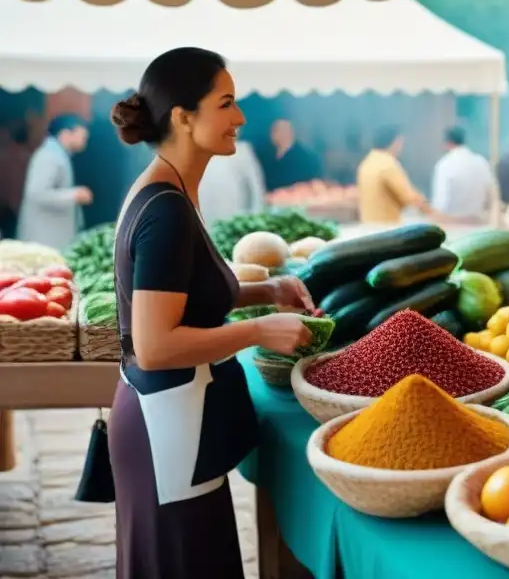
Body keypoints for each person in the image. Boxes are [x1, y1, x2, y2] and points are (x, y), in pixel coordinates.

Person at [107, 47, 314, 579]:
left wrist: (267, 290)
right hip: (166, 424)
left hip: (171, 420)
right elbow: (156, 346)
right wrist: (258, 331)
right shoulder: (168, 210)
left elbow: (185, 295)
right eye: (226, 103)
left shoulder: (170, 187)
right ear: (182, 116)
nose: (240, 117)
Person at [16, 114, 92, 250]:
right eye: (82, 137)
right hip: (43, 239)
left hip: (52, 239)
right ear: (65, 134)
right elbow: (37, 195)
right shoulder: (48, 156)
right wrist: (74, 195)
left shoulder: (59, 154)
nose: (84, 141)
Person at [356, 125, 435, 224]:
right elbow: (410, 197)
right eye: (401, 143)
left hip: (368, 225)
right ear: (395, 142)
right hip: (386, 228)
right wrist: (431, 211)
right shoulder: (387, 164)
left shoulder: (366, 163)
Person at [431, 126, 495, 221]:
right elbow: (492, 194)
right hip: (478, 223)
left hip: (453, 225)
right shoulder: (481, 161)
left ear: (447, 143)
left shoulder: (444, 164)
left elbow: (441, 204)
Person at [198, 136, 267, 224]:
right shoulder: (194, 153)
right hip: (205, 220)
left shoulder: (241, 151)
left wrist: (256, 222)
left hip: (236, 220)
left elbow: (257, 191)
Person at [264, 118, 321, 191]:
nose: (271, 134)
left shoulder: (305, 158)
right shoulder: (268, 157)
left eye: (275, 130)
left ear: (287, 132)